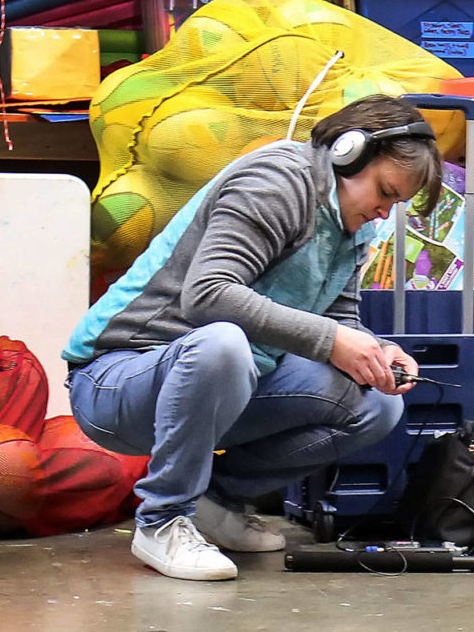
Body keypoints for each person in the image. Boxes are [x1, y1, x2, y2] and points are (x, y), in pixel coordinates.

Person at [62, 94, 444, 581]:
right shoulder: (276, 183)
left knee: (374, 403)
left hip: (229, 378)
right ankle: (162, 520)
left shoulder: (353, 224)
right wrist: (330, 341)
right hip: (116, 381)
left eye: (396, 203)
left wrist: (376, 352)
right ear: (348, 154)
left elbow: (340, 319)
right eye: (385, 192)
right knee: (223, 342)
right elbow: (208, 295)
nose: (383, 212)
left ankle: (215, 501)